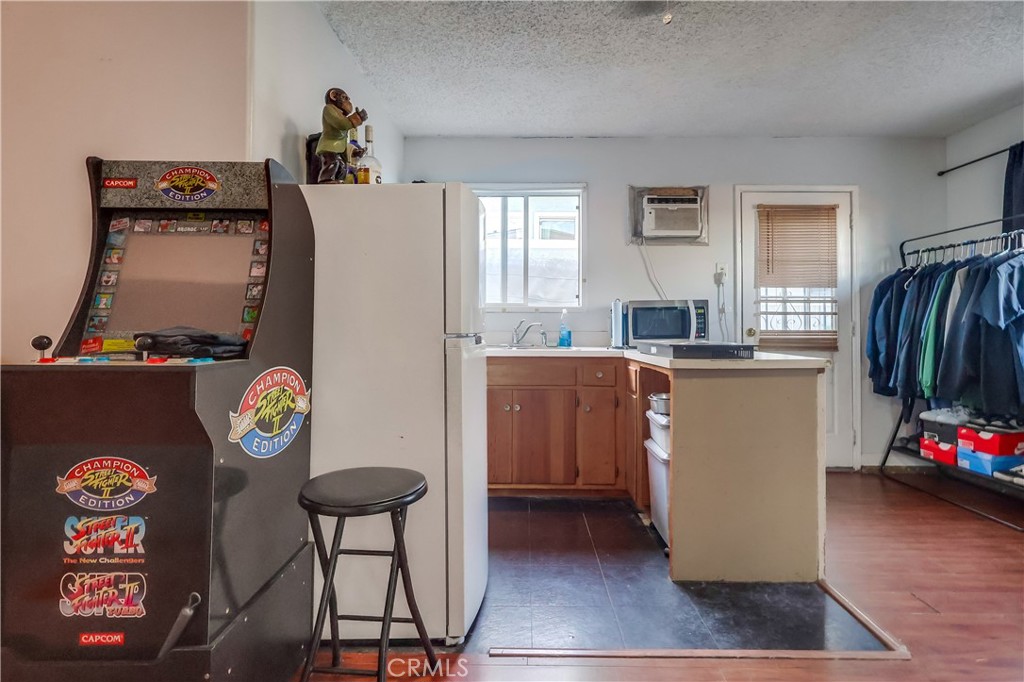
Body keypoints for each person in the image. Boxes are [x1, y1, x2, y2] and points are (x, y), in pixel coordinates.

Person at [315, 88, 368, 184]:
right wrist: (357, 118)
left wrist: (354, 152)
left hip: (338, 148)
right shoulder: (329, 109)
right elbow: (341, 124)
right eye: (345, 98)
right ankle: (326, 180)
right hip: (329, 146)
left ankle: (339, 182)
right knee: (333, 162)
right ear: (334, 96)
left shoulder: (341, 115)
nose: (348, 102)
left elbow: (342, 133)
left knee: (343, 166)